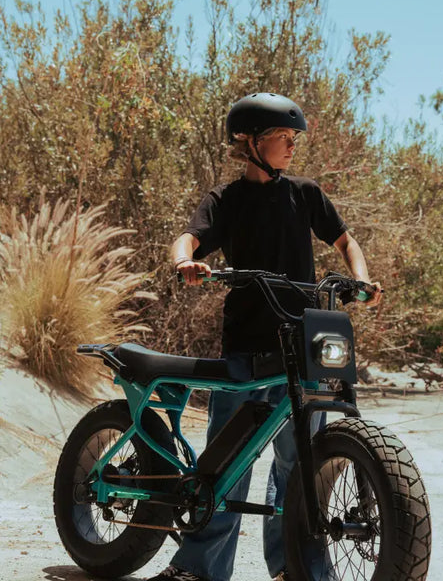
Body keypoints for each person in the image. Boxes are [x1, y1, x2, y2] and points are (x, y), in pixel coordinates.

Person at [149, 92, 382, 581]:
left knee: (300, 466)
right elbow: (189, 239)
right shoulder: (226, 201)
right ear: (250, 142)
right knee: (228, 462)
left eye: (294, 137)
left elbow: (345, 240)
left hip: (301, 345)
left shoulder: (306, 194)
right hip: (246, 347)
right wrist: (185, 262)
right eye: (282, 137)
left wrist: (360, 279)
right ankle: (200, 569)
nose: (291, 145)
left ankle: (293, 568)